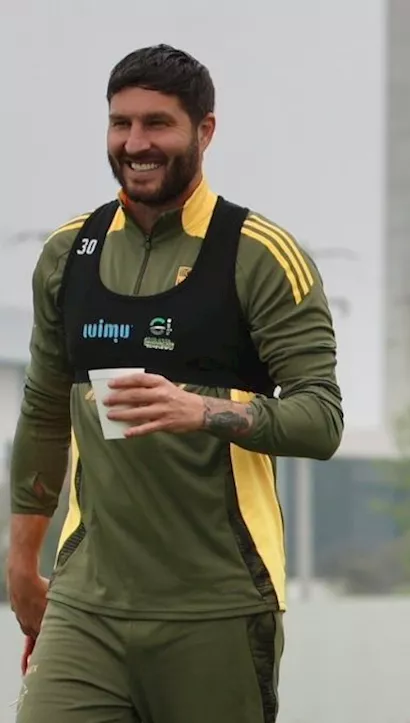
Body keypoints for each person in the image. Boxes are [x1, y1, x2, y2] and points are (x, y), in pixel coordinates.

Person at [5, 44, 343, 722]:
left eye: (157, 124)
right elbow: (44, 411)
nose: (135, 143)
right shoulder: (68, 253)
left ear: (204, 131)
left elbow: (321, 418)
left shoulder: (258, 255)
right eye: (120, 123)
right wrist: (21, 563)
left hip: (216, 606)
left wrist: (204, 411)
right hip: (86, 603)